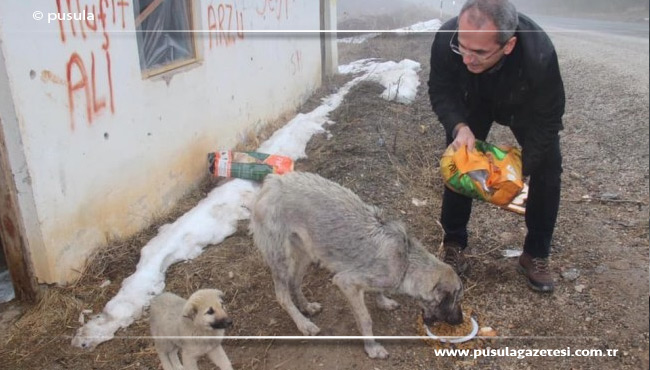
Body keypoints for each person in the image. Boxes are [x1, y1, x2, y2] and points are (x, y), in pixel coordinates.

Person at [428, 0, 565, 292]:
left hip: (522, 102)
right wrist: (459, 127)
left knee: (548, 168)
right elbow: (440, 90)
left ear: (509, 45)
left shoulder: (539, 54)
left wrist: (519, 167)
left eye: (479, 52)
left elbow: (549, 118)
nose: (467, 57)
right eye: (462, 47)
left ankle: (535, 253)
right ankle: (453, 243)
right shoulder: (447, 38)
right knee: (460, 159)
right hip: (472, 98)